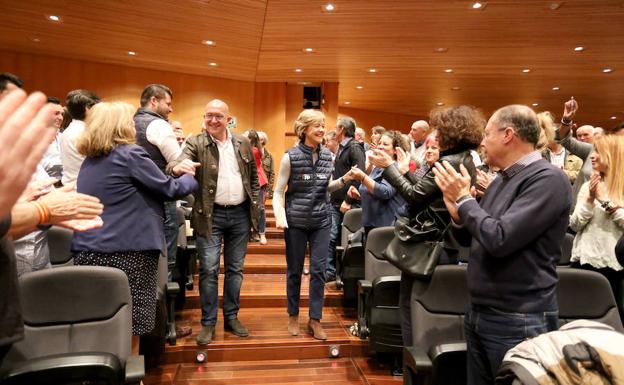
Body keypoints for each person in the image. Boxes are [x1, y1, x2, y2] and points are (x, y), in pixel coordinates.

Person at [432, 104, 572, 385]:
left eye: (487, 134)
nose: (482, 142)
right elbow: (477, 237)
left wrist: (465, 201)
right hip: (482, 310)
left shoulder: (548, 180)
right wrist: (459, 215)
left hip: (519, 316)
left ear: (508, 134)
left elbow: (499, 239)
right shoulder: (502, 179)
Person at [71, 102, 197, 351]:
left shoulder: (91, 160)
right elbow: (169, 189)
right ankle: (131, 374)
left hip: (90, 250)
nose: (134, 126)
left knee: (102, 319)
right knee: (132, 321)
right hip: (129, 251)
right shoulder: (129, 154)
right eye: (129, 121)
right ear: (117, 126)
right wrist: (189, 176)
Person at [0, 88, 104, 366]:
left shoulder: (20, 154)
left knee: (38, 323)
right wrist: (42, 210)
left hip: (33, 247)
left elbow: (43, 188)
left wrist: (52, 202)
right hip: (18, 253)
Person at [369, 105, 483, 347]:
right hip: (445, 244)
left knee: (412, 306)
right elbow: (426, 193)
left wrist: (388, 167)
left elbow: (413, 196)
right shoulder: (465, 159)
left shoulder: (449, 161)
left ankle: (414, 363)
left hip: (430, 246)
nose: (437, 135)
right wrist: (403, 171)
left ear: (453, 133)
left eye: (441, 130)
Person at [168, 99, 259, 346]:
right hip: (210, 215)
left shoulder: (243, 142)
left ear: (228, 119)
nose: (213, 120)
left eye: (218, 116)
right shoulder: (195, 142)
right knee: (208, 270)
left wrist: (256, 211)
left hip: (240, 214)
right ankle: (208, 322)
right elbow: (174, 163)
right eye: (209, 115)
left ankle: (231, 317)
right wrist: (178, 168)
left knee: (235, 269)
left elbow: (252, 179)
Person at [273, 109, 348, 340]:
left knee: (318, 271)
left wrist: (345, 180)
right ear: (304, 129)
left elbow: (325, 186)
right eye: (317, 125)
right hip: (296, 221)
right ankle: (293, 315)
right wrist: (280, 216)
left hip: (321, 221)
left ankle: (315, 319)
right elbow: (278, 191)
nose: (322, 129)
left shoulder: (328, 156)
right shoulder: (290, 156)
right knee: (294, 271)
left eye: (323, 125)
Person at [569, 135, 624, 317]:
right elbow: (575, 225)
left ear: (613, 155)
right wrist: (591, 200)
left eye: (598, 152)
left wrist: (605, 201)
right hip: (585, 261)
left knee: (613, 320)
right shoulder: (587, 187)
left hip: (615, 265)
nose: (592, 156)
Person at [134, 84, 181, 282]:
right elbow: (178, 161)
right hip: (159, 197)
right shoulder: (158, 125)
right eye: (168, 104)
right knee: (164, 260)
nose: (170, 109)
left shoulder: (130, 122)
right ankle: (164, 310)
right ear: (154, 100)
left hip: (133, 199)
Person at [345, 130, 408, 237]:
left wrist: (363, 177)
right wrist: (360, 196)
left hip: (385, 226)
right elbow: (375, 192)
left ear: (395, 150)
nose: (380, 146)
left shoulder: (396, 168)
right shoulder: (378, 167)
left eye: (385, 144)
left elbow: (385, 192)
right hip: (371, 223)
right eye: (379, 143)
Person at [327, 117, 366, 281]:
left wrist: (348, 200)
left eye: (336, 128)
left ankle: (339, 275)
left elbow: (360, 175)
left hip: (347, 204)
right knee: (332, 238)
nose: (334, 131)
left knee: (342, 240)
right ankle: (331, 273)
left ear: (341, 129)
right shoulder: (343, 148)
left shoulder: (354, 147)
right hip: (336, 202)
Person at [59, 89, 100, 186]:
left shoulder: (68, 131)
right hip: (85, 188)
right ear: (88, 109)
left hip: (72, 185)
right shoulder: (85, 133)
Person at [538, 111, 582, 184]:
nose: (543, 136)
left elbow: (582, 176)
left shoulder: (575, 153)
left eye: (547, 132)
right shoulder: (540, 153)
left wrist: (562, 173)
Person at [247, 129, 268, 245]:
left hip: (257, 181)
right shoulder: (255, 148)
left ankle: (261, 233)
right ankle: (256, 233)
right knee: (257, 209)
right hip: (256, 181)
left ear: (250, 139)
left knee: (259, 209)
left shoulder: (253, 150)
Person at [258, 131, 274, 199]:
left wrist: (268, 190)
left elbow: (272, 174)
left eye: (258, 139)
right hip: (253, 187)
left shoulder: (269, 156)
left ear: (263, 140)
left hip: (264, 187)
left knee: (261, 208)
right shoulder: (251, 153)